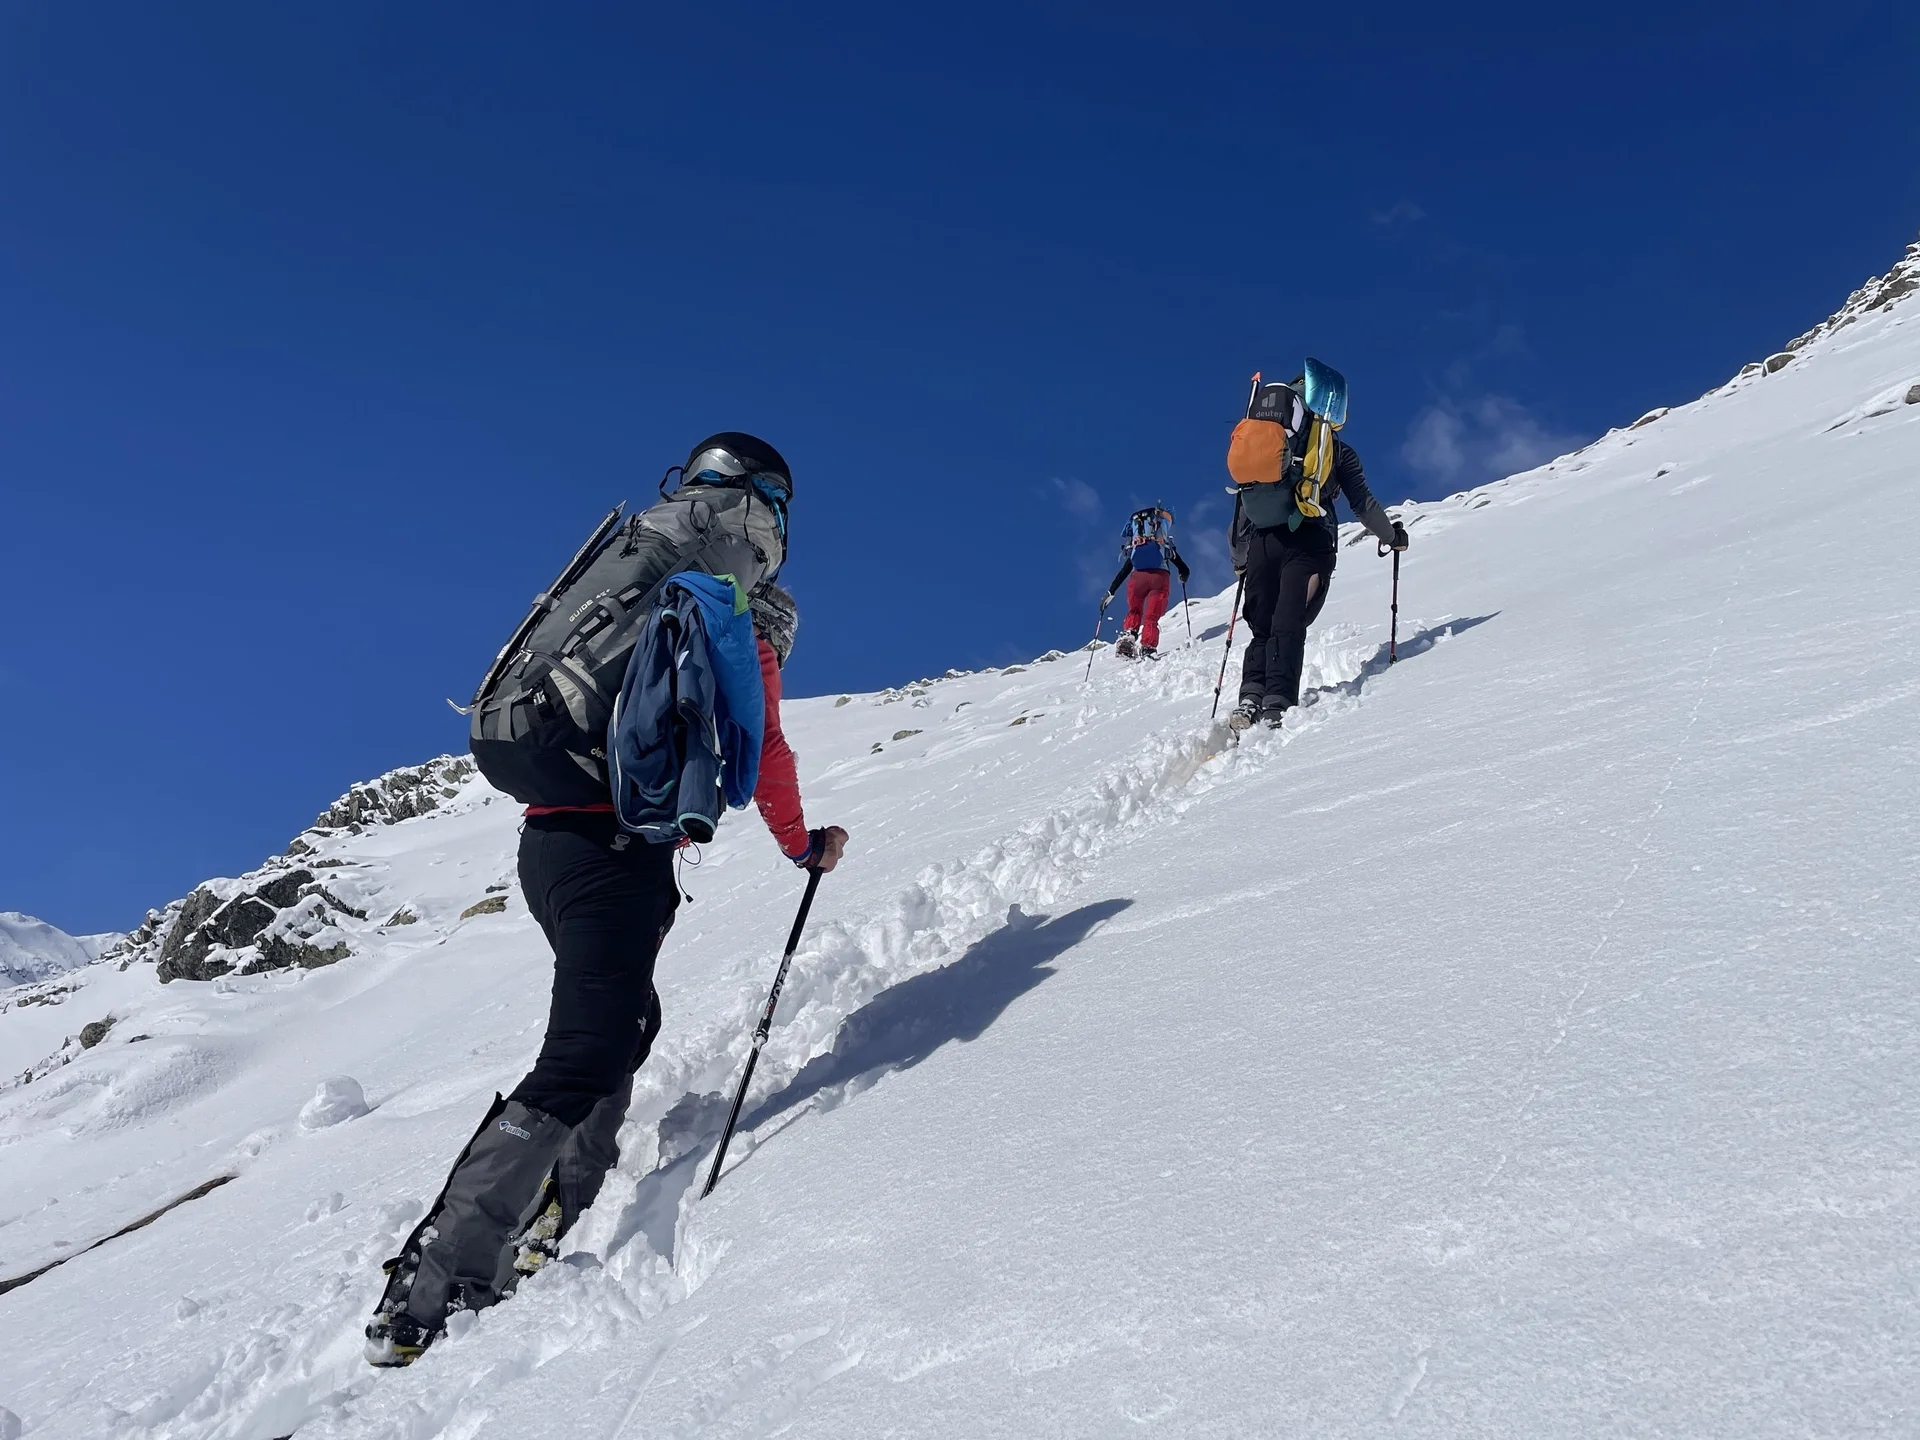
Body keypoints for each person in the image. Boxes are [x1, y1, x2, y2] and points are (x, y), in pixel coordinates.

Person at [366, 434, 847, 1367]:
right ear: (771, 516)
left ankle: (558, 1201)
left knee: (624, 1023)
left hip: (554, 842)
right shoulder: (735, 605)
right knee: (587, 1049)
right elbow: (768, 753)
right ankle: (439, 1278)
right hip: (608, 851)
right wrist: (802, 846)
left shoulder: (642, 560)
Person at [1229, 378, 1407, 729]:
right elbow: (1363, 504)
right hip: (1312, 539)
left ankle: (1250, 697)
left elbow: (1242, 510)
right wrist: (1392, 536)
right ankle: (1277, 703)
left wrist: (1240, 560)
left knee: (1262, 627)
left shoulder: (1266, 443)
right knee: (1289, 622)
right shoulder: (1335, 450)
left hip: (1263, 543)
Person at [1102, 505, 1191, 660]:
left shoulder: (1137, 548)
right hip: (1160, 577)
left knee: (1134, 610)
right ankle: (1148, 648)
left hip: (1138, 578)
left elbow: (1124, 572)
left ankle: (1130, 635)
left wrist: (1111, 592)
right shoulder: (1164, 545)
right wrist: (1182, 576)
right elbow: (1184, 569)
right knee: (1151, 616)